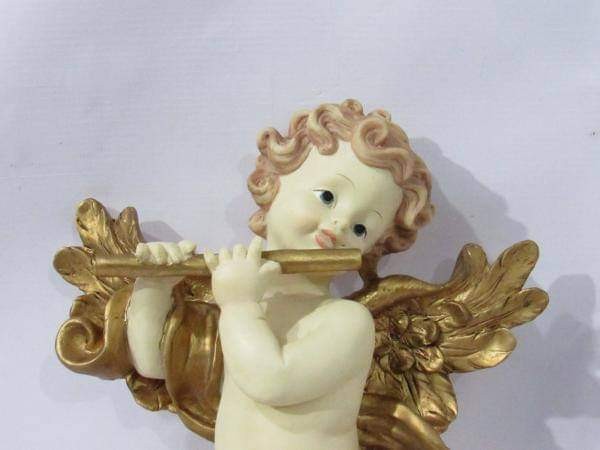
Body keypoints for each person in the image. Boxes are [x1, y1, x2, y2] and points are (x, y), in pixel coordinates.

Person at [126, 99, 433, 450]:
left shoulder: (346, 321)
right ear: (274, 181)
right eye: (327, 196)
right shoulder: (238, 300)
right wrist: (154, 287)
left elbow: (272, 381)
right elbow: (153, 363)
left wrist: (239, 304)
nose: (340, 225)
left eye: (361, 228)